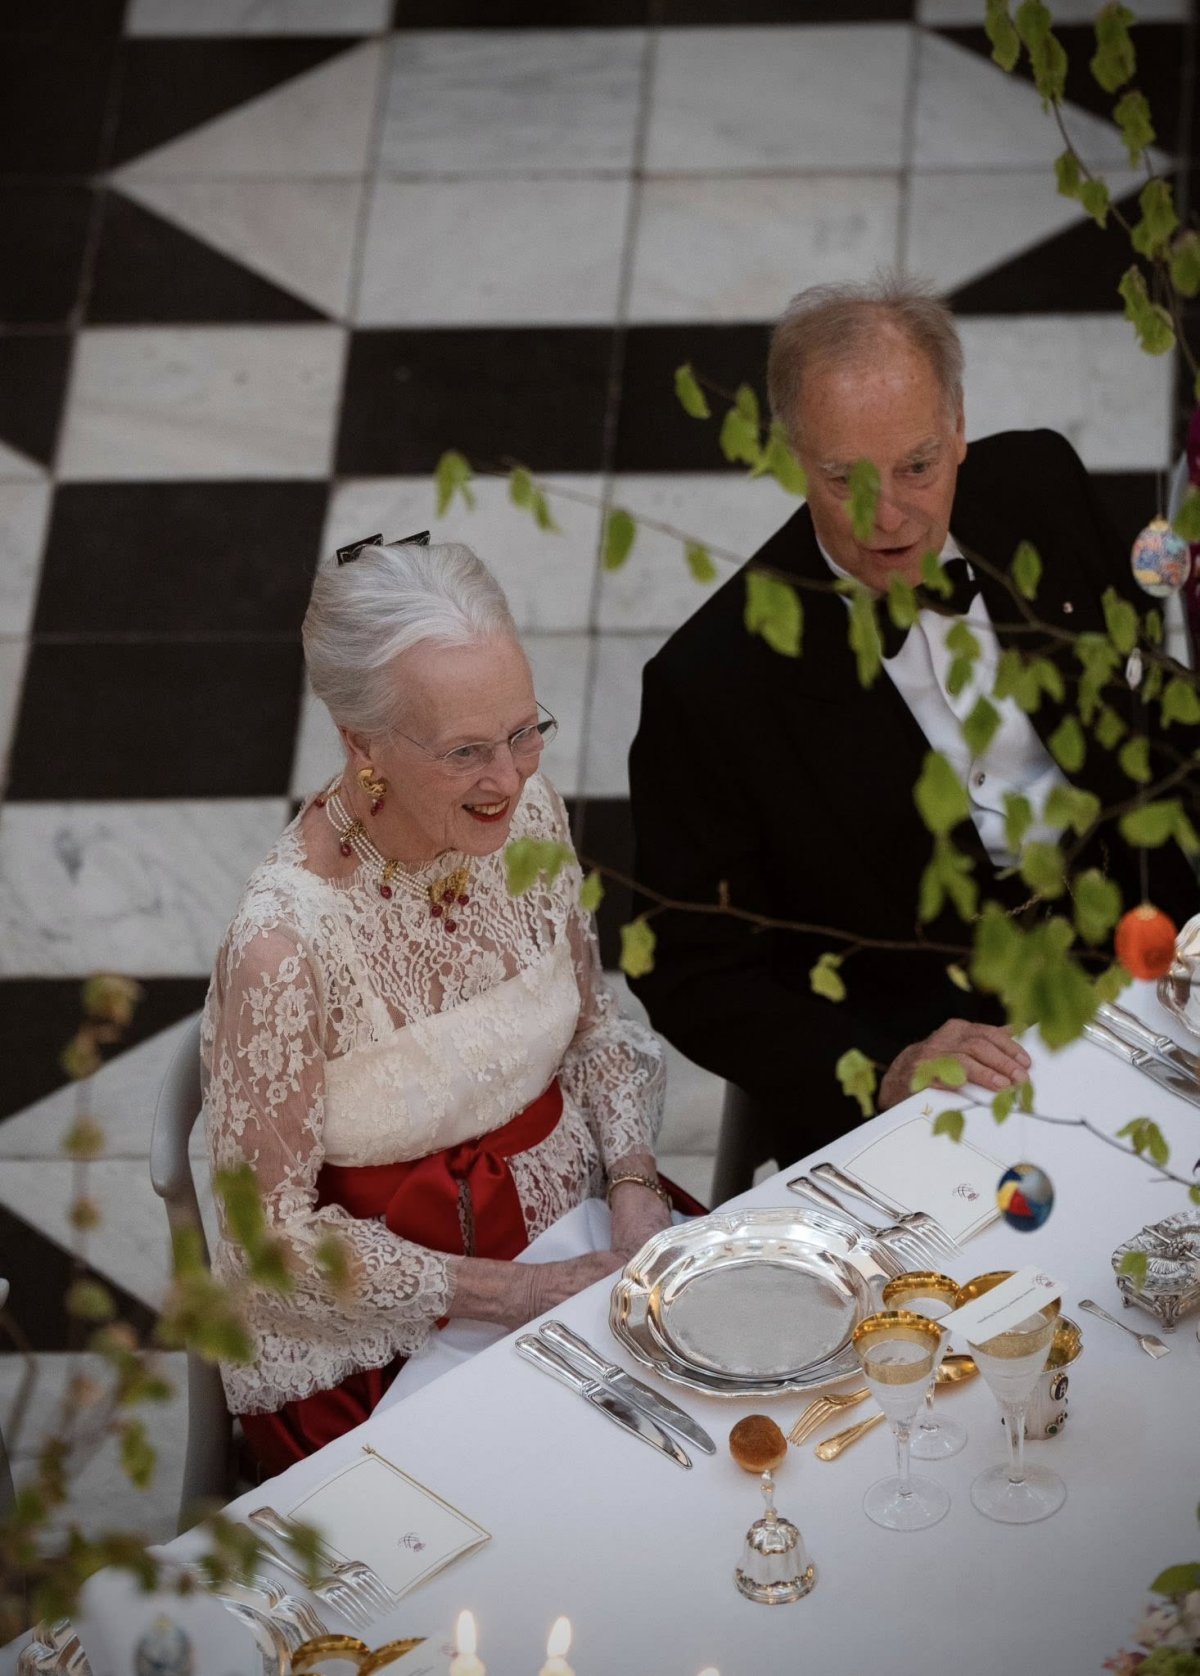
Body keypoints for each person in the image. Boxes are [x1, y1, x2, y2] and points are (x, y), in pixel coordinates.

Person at [629, 275, 1199, 1160]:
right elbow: (688, 969)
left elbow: (1152, 709)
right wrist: (883, 1067)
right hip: (938, 1057)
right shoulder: (710, 685)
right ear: (792, 457)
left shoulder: (1041, 481)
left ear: (959, 425)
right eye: (844, 479)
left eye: (918, 467)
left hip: (1150, 960)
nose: (888, 516)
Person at [203, 534, 687, 1476]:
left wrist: (633, 1187)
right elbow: (268, 1245)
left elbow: (592, 1032)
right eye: (467, 751)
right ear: (362, 744)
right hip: (379, 1343)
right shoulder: (283, 948)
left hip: (583, 1234)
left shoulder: (527, 815)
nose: (509, 778)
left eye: (524, 731)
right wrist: (516, 1294)